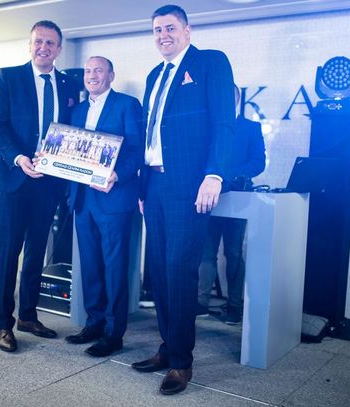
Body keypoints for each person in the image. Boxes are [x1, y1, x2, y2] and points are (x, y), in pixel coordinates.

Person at [131, 5, 235, 395]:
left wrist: (214, 174)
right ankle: (167, 346)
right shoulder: (154, 75)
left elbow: (224, 123)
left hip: (188, 185)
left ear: (187, 31)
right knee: (158, 272)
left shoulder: (210, 63)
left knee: (179, 270)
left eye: (170, 28)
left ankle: (181, 362)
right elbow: (149, 134)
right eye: (157, 30)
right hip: (154, 185)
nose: (163, 35)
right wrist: (142, 189)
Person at [0, 20, 79, 352]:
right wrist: (18, 157)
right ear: (30, 45)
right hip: (14, 177)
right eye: (38, 41)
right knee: (8, 252)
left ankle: (28, 315)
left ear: (59, 48)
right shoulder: (8, 77)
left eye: (50, 43)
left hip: (49, 182)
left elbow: (71, 130)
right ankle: (3, 323)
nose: (44, 47)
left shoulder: (68, 84)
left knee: (37, 251)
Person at [64, 56, 142, 357]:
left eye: (98, 70)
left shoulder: (127, 105)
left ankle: (113, 333)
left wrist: (117, 174)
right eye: (88, 71)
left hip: (114, 198)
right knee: (90, 265)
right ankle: (94, 323)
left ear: (111, 75)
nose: (92, 75)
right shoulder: (76, 111)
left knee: (114, 267)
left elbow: (137, 150)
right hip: (83, 200)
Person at [197, 85, 266, 324]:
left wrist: (225, 175)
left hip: (237, 198)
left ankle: (235, 307)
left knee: (234, 253)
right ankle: (200, 304)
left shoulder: (251, 128)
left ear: (237, 99)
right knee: (206, 252)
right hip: (208, 198)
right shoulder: (207, 127)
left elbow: (258, 162)